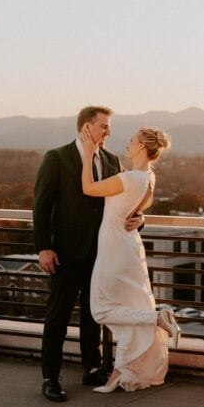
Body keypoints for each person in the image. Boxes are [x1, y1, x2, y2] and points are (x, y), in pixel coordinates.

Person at [32, 106, 143, 402]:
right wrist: (44, 247)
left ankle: (92, 367)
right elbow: (41, 207)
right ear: (86, 127)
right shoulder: (57, 158)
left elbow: (123, 200)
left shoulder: (111, 159)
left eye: (109, 127)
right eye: (104, 127)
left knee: (94, 315)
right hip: (66, 253)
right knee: (58, 316)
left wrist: (139, 218)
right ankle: (50, 378)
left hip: (102, 252)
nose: (109, 132)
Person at [80, 124, 177, 392]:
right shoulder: (147, 177)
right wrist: (141, 216)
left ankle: (156, 319)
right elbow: (138, 208)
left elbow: (88, 188)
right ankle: (120, 373)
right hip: (130, 246)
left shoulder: (128, 178)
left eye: (131, 140)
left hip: (114, 247)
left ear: (142, 146)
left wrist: (88, 153)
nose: (127, 144)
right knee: (129, 307)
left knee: (100, 308)